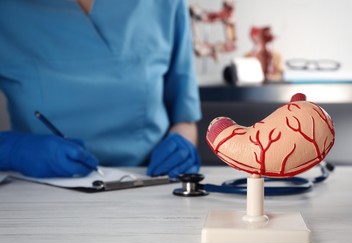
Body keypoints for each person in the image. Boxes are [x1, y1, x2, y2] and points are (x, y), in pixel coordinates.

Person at [0, 0, 202, 179]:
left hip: (147, 185)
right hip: (35, 196)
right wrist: (12, 151)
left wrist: (181, 146)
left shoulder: (165, 4)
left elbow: (184, 119)